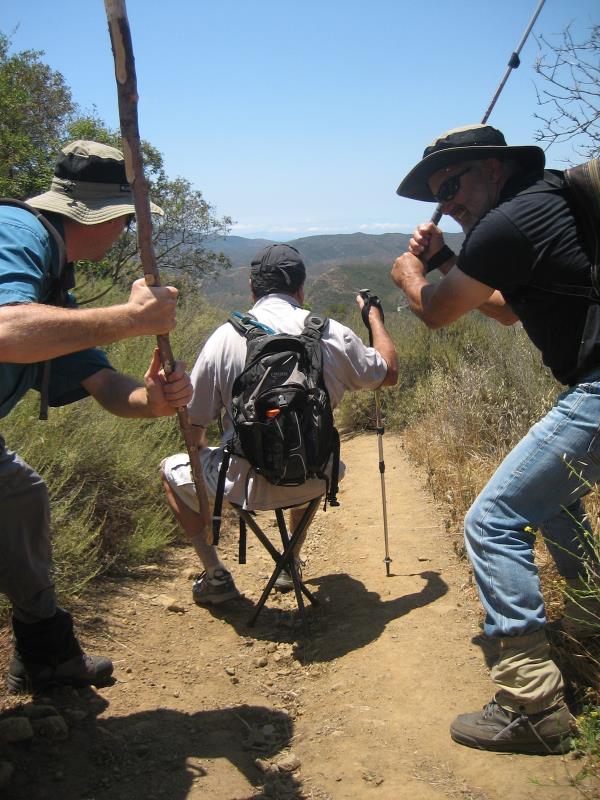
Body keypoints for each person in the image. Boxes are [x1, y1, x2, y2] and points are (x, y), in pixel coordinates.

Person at [390, 123, 600, 755]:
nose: (448, 204)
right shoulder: (542, 204)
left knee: (493, 519)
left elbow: (437, 311)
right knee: (557, 509)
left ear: (492, 168)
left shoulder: (507, 222)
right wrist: (447, 261)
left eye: (452, 185)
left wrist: (409, 274)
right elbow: (505, 306)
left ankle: (531, 704)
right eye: (439, 195)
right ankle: (593, 639)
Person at [1, 140, 192, 693]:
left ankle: (47, 656)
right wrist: (131, 320)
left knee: (20, 497)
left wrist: (154, 401)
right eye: (128, 221)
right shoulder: (19, 231)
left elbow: (105, 385)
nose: (127, 234)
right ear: (104, 216)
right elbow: (8, 330)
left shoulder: (57, 290)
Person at [161, 243, 398, 603]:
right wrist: (374, 320)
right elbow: (388, 372)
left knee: (169, 469)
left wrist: (211, 456)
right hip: (316, 478)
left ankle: (215, 574)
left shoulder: (224, 338)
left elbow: (193, 431)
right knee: (311, 452)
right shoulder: (332, 333)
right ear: (301, 289)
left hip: (244, 487)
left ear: (252, 289)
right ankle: (291, 560)